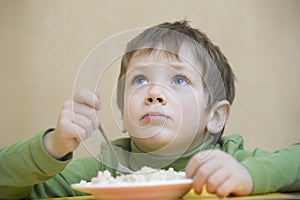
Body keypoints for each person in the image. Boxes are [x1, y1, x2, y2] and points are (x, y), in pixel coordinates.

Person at [0, 20, 299, 199]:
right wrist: (52, 146)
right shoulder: (106, 168)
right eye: (140, 80)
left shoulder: (228, 162)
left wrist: (249, 175)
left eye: (180, 79)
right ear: (122, 112)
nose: (155, 93)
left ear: (215, 116)